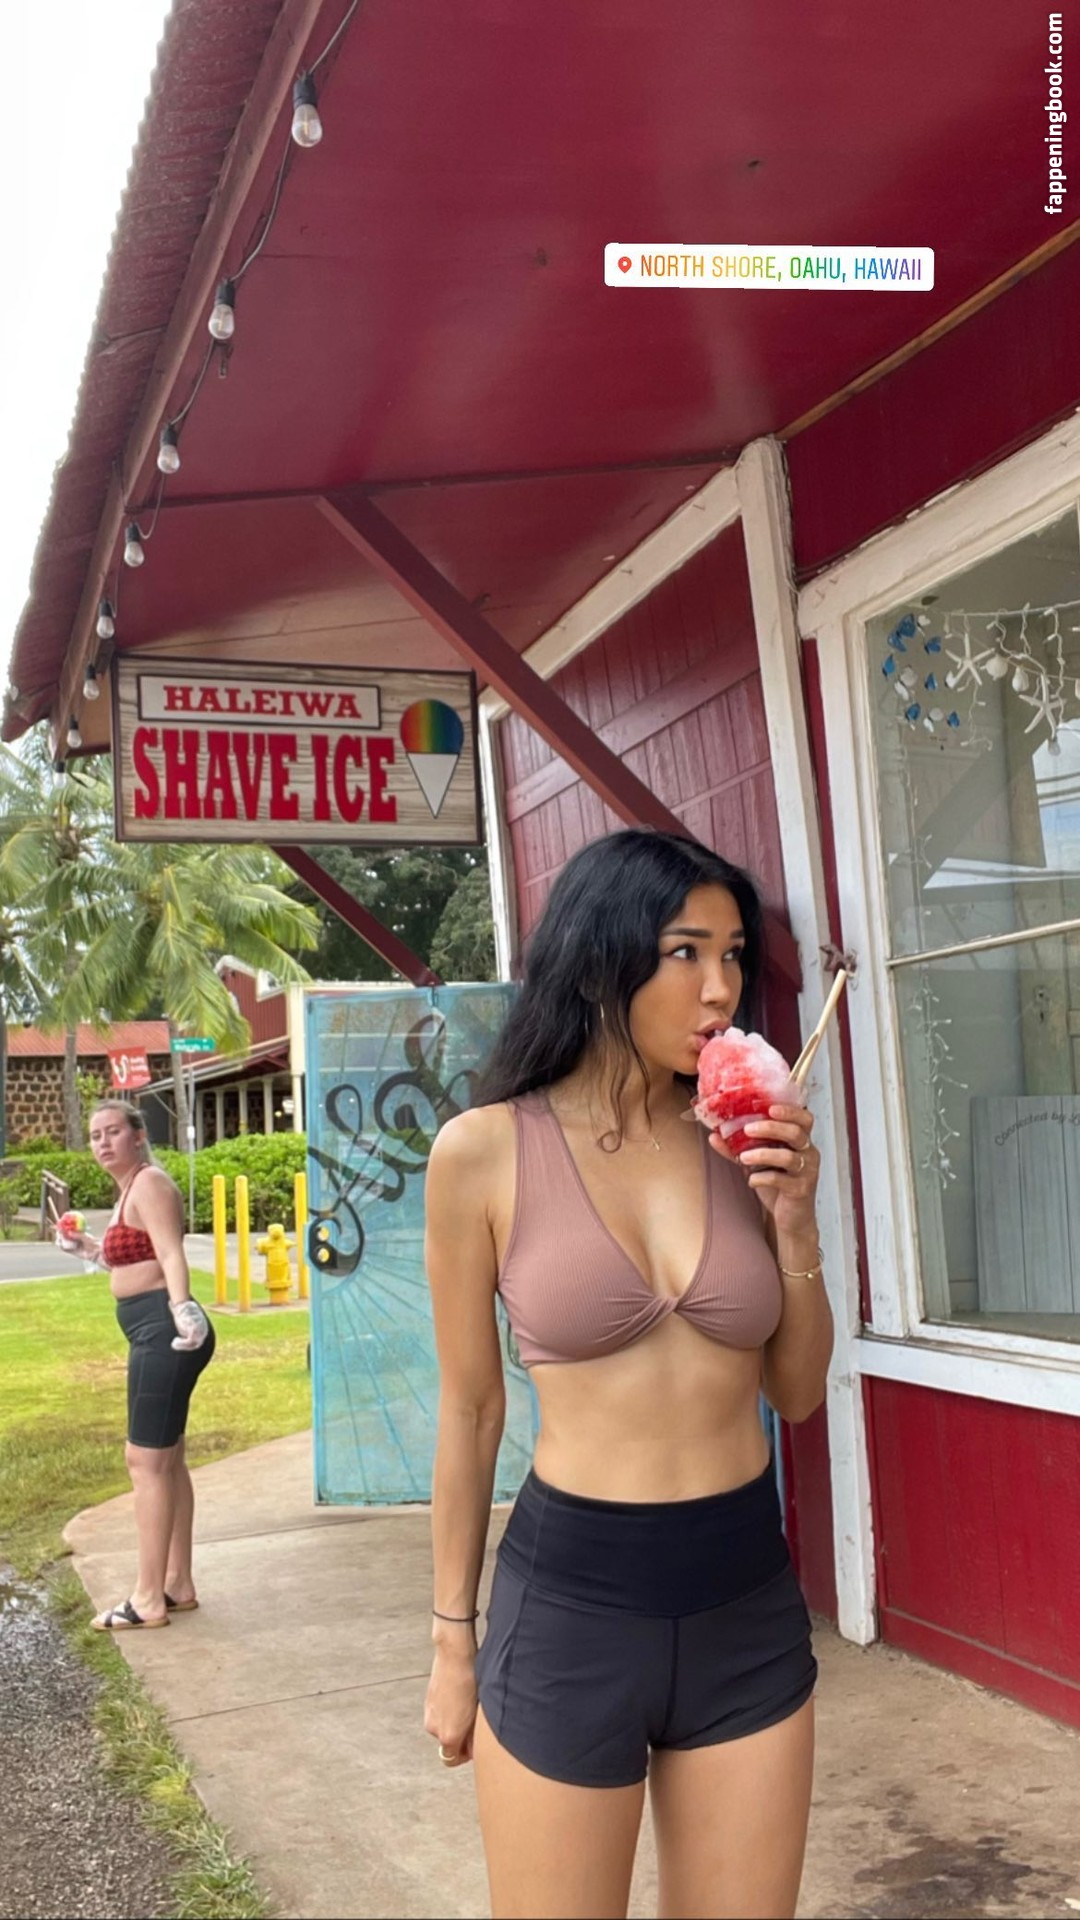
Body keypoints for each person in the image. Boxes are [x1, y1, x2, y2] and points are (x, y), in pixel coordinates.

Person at [423, 829, 833, 1920]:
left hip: (744, 1597)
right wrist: (452, 1639)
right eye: (685, 952)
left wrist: (796, 1221)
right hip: (572, 1607)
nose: (721, 988)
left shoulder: (742, 1141)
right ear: (602, 957)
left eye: (733, 955)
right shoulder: (482, 1152)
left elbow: (796, 1393)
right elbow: (471, 1411)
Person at [59, 1100, 215, 1631]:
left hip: (162, 1330)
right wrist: (87, 1247)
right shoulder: (129, 1188)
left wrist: (182, 1309)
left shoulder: (149, 1183)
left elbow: (170, 1254)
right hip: (152, 1328)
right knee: (167, 1460)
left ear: (139, 1135)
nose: (103, 1142)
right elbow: (132, 1257)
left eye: (113, 1132)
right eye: (95, 1135)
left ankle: (148, 1599)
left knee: (144, 1462)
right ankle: (177, 1583)